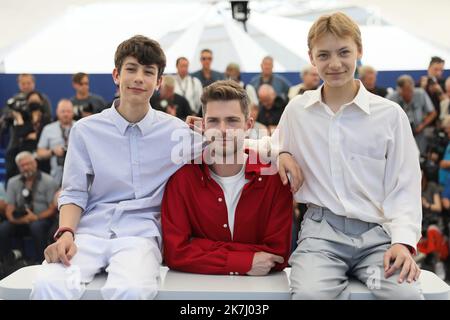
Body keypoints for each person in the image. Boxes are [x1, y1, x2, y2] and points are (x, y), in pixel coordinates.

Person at [30, 35, 204, 300]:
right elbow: (74, 191)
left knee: (131, 290)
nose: (138, 78)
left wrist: (278, 152)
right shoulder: (85, 130)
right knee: (49, 284)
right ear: (116, 75)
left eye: (148, 72)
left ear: (158, 83)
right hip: (88, 233)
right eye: (131, 69)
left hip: (141, 235)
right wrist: (66, 233)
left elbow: (233, 146)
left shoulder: (177, 132)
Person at [275, 12, 423, 299]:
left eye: (344, 52)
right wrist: (280, 151)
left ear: (359, 50)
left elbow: (405, 185)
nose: (334, 64)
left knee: (405, 296)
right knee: (310, 295)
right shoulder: (297, 111)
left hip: (378, 239)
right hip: (321, 237)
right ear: (311, 57)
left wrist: (403, 243)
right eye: (324, 55)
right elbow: (265, 144)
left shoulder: (390, 115)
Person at [162, 80, 293, 275]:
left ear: (248, 125)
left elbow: (277, 254)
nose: (222, 130)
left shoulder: (274, 179)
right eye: (214, 121)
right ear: (204, 125)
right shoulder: (182, 179)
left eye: (232, 120)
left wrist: (198, 247)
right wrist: (243, 260)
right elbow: (175, 252)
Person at [0, 152, 57, 264]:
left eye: (28, 164)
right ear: (19, 167)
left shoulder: (49, 180)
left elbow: (52, 208)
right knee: (3, 228)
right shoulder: (12, 182)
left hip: (41, 218)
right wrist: (16, 219)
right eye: (22, 165)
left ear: (35, 163)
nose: (26, 167)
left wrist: (35, 217)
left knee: (36, 227)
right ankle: (6, 260)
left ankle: (40, 260)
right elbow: (9, 207)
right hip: (20, 219)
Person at [386, 75, 437, 155]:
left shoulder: (420, 93)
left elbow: (433, 113)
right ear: (399, 90)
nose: (409, 94)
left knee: (419, 156)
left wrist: (422, 126)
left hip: (419, 134)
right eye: (406, 91)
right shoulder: (390, 98)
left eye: (411, 90)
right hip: (399, 135)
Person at [37, 99, 75, 186]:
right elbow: (39, 153)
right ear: (57, 112)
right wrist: (53, 152)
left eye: (68, 111)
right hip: (55, 177)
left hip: (77, 176)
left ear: (73, 112)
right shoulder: (48, 129)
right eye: (63, 111)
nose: (66, 114)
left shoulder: (80, 127)